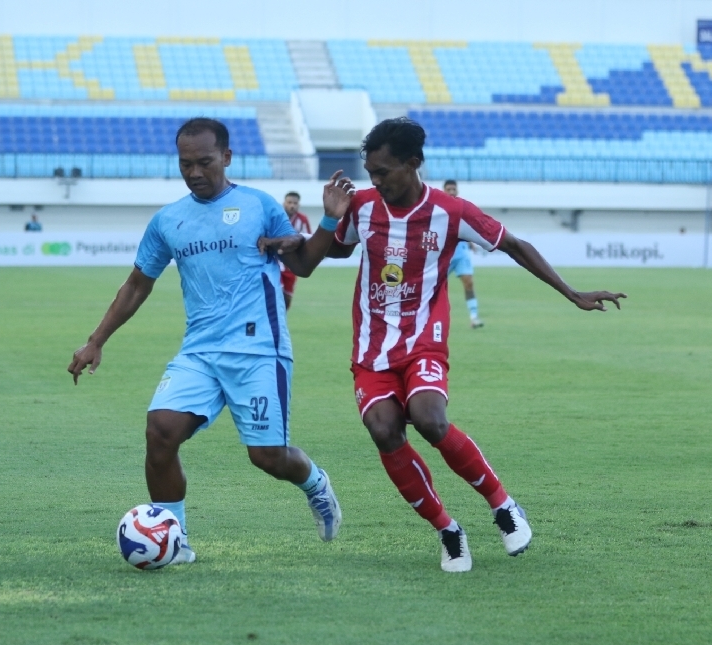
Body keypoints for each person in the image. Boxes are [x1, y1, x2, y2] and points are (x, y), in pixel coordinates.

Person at [263, 118, 625, 572]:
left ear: (413, 164)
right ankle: (448, 531)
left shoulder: (451, 211)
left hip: (423, 341)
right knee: (383, 430)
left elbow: (514, 244)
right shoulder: (363, 207)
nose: (375, 181)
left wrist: (572, 292)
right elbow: (328, 252)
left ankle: (503, 505)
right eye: (370, 172)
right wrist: (310, 232)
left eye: (383, 171)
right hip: (372, 347)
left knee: (430, 419)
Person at [67, 118, 342, 565]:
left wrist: (329, 218)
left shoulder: (259, 204)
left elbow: (305, 264)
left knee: (268, 458)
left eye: (204, 162)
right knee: (160, 433)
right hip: (199, 351)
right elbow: (138, 284)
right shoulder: (168, 220)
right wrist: (95, 340)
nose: (194, 172)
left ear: (227, 158)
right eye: (185, 163)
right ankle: (176, 543)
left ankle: (316, 484)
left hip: (258, 350)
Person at [443, 179, 483, 328]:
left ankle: (474, 317)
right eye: (449, 189)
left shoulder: (462, 208)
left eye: (454, 189)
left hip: (461, 253)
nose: (452, 192)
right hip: (444, 254)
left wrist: (471, 243)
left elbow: (468, 228)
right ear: (444, 191)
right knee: (434, 286)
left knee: (469, 283)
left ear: (457, 191)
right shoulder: (439, 209)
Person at [278, 191, 312, 309]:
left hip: (291, 265)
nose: (292, 205)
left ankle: (281, 322)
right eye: (289, 202)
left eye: (295, 203)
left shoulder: (302, 220)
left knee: (287, 298)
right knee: (277, 294)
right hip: (275, 262)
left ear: (299, 205)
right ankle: (274, 323)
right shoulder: (277, 216)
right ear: (284, 203)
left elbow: (308, 238)